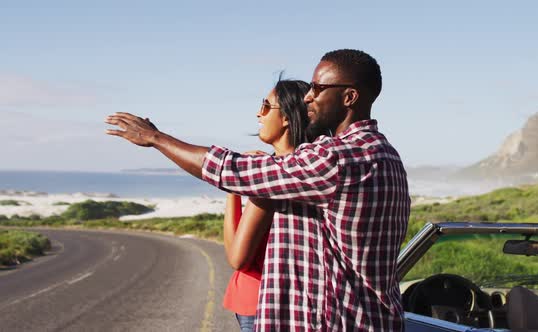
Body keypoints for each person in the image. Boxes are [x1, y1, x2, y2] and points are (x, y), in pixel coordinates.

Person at [105, 49, 410, 331]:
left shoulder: (337, 159)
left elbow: (229, 169)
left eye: (318, 89)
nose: (308, 98)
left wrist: (156, 138)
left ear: (349, 97)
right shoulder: (384, 154)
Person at [222, 79, 311, 332]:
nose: (258, 113)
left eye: (266, 106)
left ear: (286, 117)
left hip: (258, 301)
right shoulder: (309, 168)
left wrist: (234, 189)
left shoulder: (274, 176)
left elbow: (237, 257)